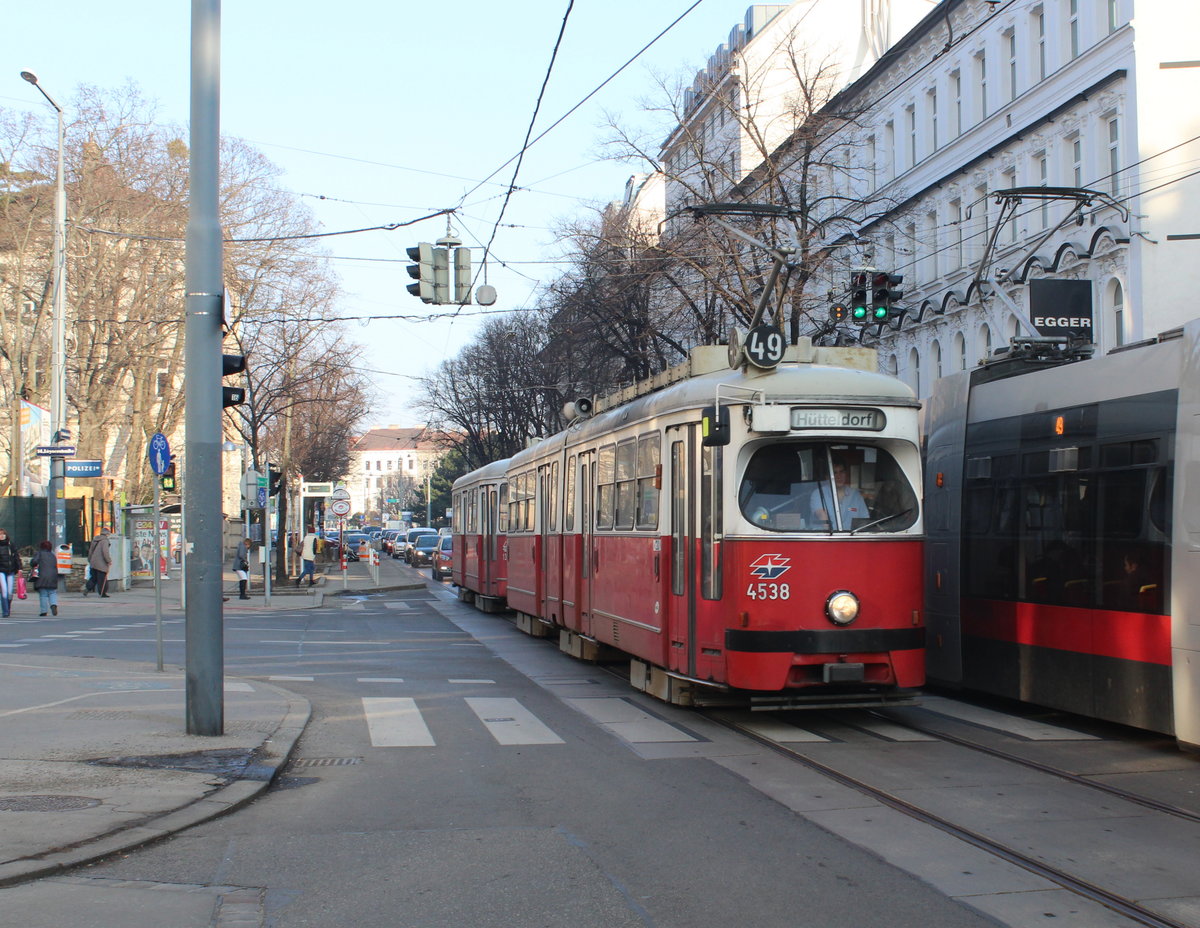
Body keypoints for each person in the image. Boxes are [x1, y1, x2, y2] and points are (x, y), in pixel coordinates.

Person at [810, 458, 869, 529]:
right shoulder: (819, 493)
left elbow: (864, 522)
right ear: (827, 477)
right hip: (826, 538)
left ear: (846, 474)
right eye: (835, 473)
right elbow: (822, 516)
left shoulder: (856, 495)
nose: (839, 476)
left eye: (841, 472)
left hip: (851, 538)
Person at [31, 540, 60, 617]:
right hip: (53, 576)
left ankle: (44, 611)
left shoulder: (39, 554)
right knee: (52, 592)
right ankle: (53, 604)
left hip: (42, 576)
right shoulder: (53, 555)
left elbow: (34, 562)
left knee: (43, 594)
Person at [0, 527, 21, 618]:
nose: (1, 536)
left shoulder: (10, 545)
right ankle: (5, 611)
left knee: (9, 592)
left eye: (3, 534)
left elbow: (16, 556)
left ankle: (8, 607)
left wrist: (19, 568)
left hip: (10, 570)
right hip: (1, 570)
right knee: (4, 590)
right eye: (0, 534)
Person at [85, 529, 113, 597]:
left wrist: (90, 560)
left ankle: (87, 588)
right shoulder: (105, 541)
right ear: (106, 534)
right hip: (101, 563)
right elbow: (105, 552)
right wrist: (108, 561)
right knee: (102, 579)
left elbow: (90, 551)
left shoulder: (95, 540)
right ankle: (103, 593)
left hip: (93, 562)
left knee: (93, 578)